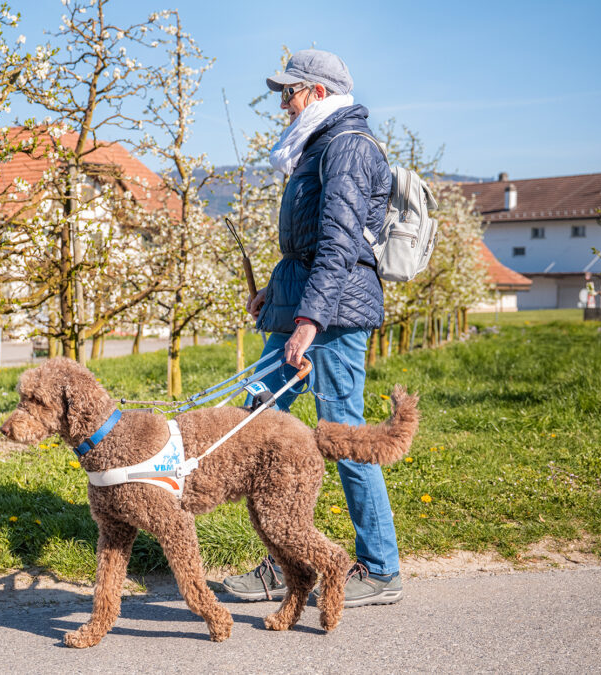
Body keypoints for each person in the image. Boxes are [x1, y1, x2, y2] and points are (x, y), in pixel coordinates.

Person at [221, 49, 402, 608]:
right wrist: (274, 296)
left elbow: (339, 247)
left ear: (318, 92)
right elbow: (304, 248)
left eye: (289, 92)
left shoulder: (348, 147)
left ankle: (380, 568)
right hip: (302, 304)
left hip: (333, 316)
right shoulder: (316, 145)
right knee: (260, 425)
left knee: (341, 435)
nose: (282, 103)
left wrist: (308, 320)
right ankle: (290, 560)